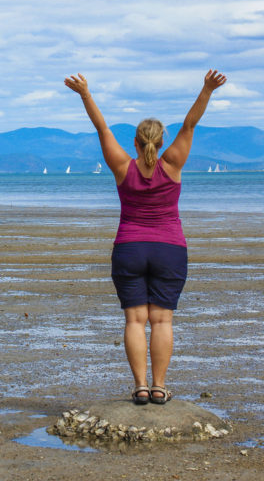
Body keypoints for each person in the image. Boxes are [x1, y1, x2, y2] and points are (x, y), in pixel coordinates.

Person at [64, 69, 227, 404]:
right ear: (161, 142)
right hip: (170, 248)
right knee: (162, 319)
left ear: (135, 143)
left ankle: (140, 386)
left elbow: (101, 128)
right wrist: (207, 89)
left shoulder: (124, 166)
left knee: (135, 320)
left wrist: (85, 93)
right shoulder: (173, 163)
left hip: (130, 248)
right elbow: (190, 125)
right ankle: (159, 387)